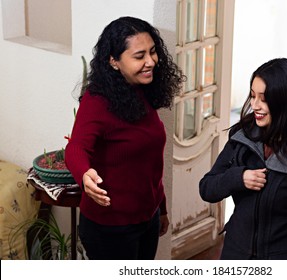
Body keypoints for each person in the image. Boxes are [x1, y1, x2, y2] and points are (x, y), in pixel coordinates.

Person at [65, 16, 185, 260]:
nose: (151, 61)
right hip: (110, 227)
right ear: (114, 61)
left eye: (153, 52)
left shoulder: (142, 92)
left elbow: (149, 163)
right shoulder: (97, 101)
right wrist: (84, 174)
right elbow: (76, 147)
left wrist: (160, 209)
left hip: (147, 219)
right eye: (139, 56)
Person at [199, 58, 287, 260]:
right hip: (234, 254)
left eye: (264, 98)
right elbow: (207, 188)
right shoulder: (242, 137)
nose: (255, 105)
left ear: (286, 100)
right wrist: (238, 178)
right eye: (252, 96)